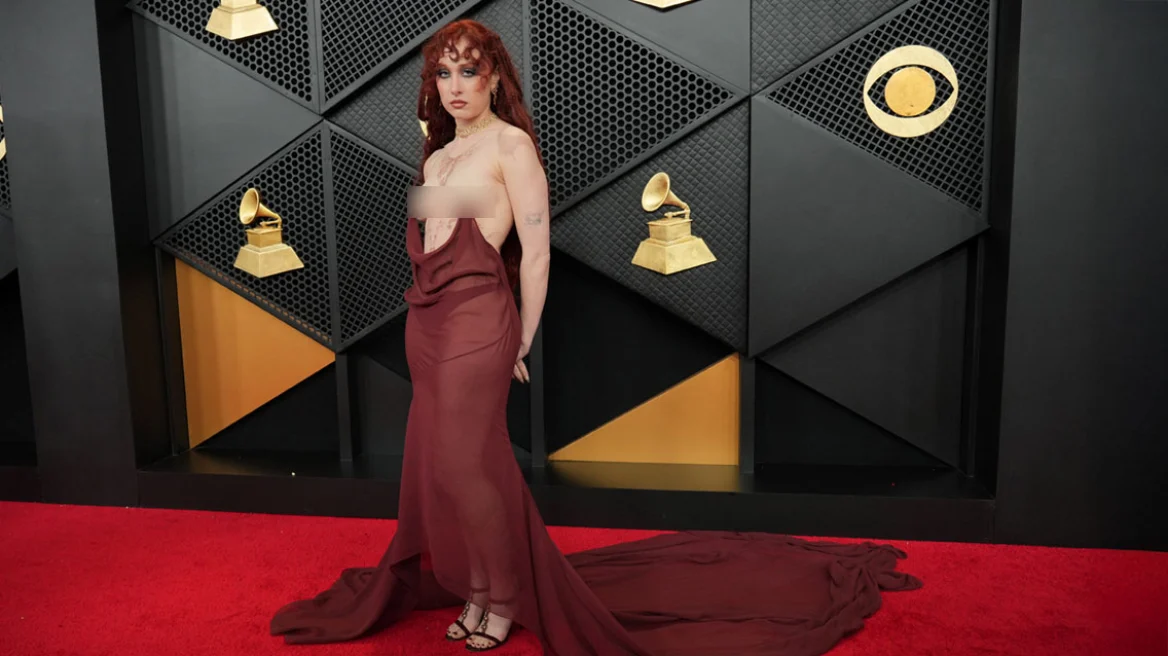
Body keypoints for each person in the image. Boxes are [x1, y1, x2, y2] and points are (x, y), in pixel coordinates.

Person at [270, 19, 922, 655]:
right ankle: (477, 588)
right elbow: (431, 243)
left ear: (494, 78)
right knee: (443, 468)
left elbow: (535, 254)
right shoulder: (437, 157)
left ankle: (503, 597)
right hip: (426, 324)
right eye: (444, 73)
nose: (456, 85)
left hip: (478, 320)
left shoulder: (511, 148)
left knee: (471, 468)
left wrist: (521, 339)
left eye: (469, 71)